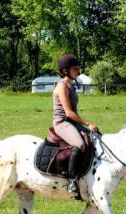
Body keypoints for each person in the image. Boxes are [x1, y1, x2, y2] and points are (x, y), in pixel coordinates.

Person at [53, 54, 99, 195]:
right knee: (79, 144)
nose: (78, 71)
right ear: (65, 70)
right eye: (75, 69)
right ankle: (72, 181)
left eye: (78, 69)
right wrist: (88, 123)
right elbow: (69, 113)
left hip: (72, 123)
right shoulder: (62, 86)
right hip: (62, 123)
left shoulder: (71, 85)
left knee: (93, 138)